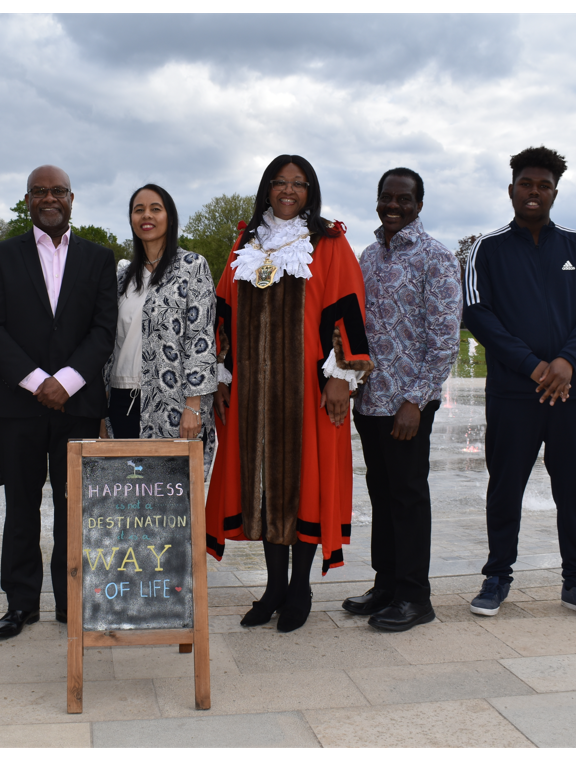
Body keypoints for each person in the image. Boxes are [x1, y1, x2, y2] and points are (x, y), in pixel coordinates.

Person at [206, 154, 372, 633]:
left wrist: (342, 376)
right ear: (267, 188)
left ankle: (300, 587)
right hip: (253, 393)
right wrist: (221, 376)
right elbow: (222, 312)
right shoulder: (246, 242)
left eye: (298, 184)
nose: (288, 190)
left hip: (309, 391)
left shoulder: (329, 243)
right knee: (262, 487)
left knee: (305, 487)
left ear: (310, 191)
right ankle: (273, 587)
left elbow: (349, 308)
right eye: (279, 182)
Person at [463, 146, 576, 623]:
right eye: (526, 184)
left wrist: (568, 362)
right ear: (511, 189)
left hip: (574, 392)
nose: (534, 192)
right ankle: (497, 576)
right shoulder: (485, 249)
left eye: (543, 186)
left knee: (575, 486)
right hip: (514, 392)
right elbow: (477, 313)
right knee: (505, 485)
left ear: (554, 192)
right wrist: (533, 366)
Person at [0, 165, 118, 639]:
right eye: (40, 191)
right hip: (18, 405)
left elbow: (103, 329)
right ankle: (20, 605)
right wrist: (39, 381)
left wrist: (69, 381)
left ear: (72, 199)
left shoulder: (100, 259)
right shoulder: (0, 256)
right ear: (28, 199)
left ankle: (71, 602)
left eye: (57, 191)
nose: (49, 198)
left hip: (77, 406)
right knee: (20, 506)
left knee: (73, 507)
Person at [342, 168, 461, 632]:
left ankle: (416, 596)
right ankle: (387, 583)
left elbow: (445, 338)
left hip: (408, 405)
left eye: (404, 199)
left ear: (419, 204)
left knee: (409, 496)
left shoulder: (436, 258)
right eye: (386, 197)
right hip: (370, 401)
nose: (393, 206)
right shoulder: (368, 256)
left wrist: (417, 399)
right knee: (382, 493)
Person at [102, 184, 218, 472]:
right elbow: (107, 341)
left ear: (170, 216)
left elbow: (200, 338)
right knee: (126, 497)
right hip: (120, 399)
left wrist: (193, 405)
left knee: (171, 503)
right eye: (138, 210)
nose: (146, 215)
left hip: (174, 404)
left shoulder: (192, 267)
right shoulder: (121, 277)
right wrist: (100, 411)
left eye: (155, 208)